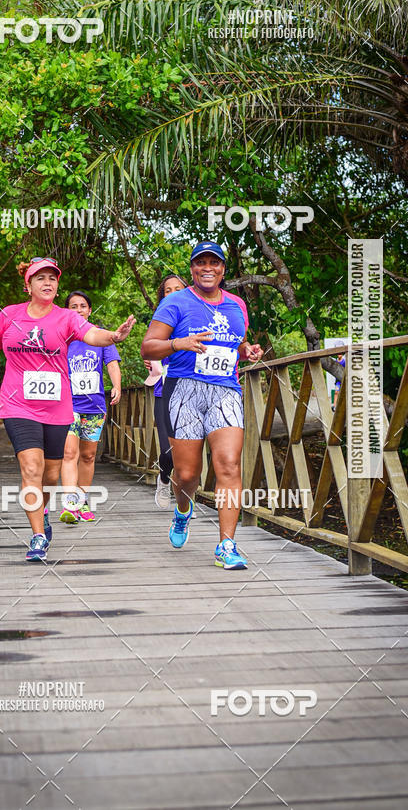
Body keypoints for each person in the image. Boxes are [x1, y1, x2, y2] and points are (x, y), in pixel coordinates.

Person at [0, 258, 135, 562]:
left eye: (52, 279)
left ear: (57, 286)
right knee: (31, 468)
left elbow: (92, 335)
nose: (47, 283)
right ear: (27, 285)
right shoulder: (9, 315)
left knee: (51, 475)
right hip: (18, 404)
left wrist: (114, 336)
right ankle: (38, 536)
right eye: (40, 278)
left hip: (58, 407)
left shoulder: (66, 317)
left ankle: (41, 511)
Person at [141, 241, 263, 569]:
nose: (208, 268)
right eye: (201, 263)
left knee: (228, 464)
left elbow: (232, 348)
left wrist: (245, 352)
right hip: (184, 391)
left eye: (215, 263)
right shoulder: (176, 302)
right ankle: (183, 510)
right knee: (187, 473)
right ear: (192, 268)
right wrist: (176, 343)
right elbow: (147, 348)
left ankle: (226, 544)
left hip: (225, 391)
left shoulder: (236, 304)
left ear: (224, 269)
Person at [59, 290, 122, 523]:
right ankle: (70, 503)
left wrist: (117, 385)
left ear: (90, 310)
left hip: (94, 406)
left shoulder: (100, 336)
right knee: (69, 453)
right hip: (67, 404)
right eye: (73, 306)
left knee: (88, 456)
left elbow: (113, 364)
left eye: (82, 306)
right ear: (66, 311)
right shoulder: (62, 337)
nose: (78, 310)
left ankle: (82, 501)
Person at [144, 274, 187, 509]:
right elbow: (148, 349)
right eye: (167, 290)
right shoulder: (160, 324)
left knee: (188, 452)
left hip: (191, 390)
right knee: (169, 449)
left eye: (178, 288)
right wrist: (150, 360)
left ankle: (184, 501)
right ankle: (163, 479)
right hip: (164, 391)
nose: (173, 293)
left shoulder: (195, 320)